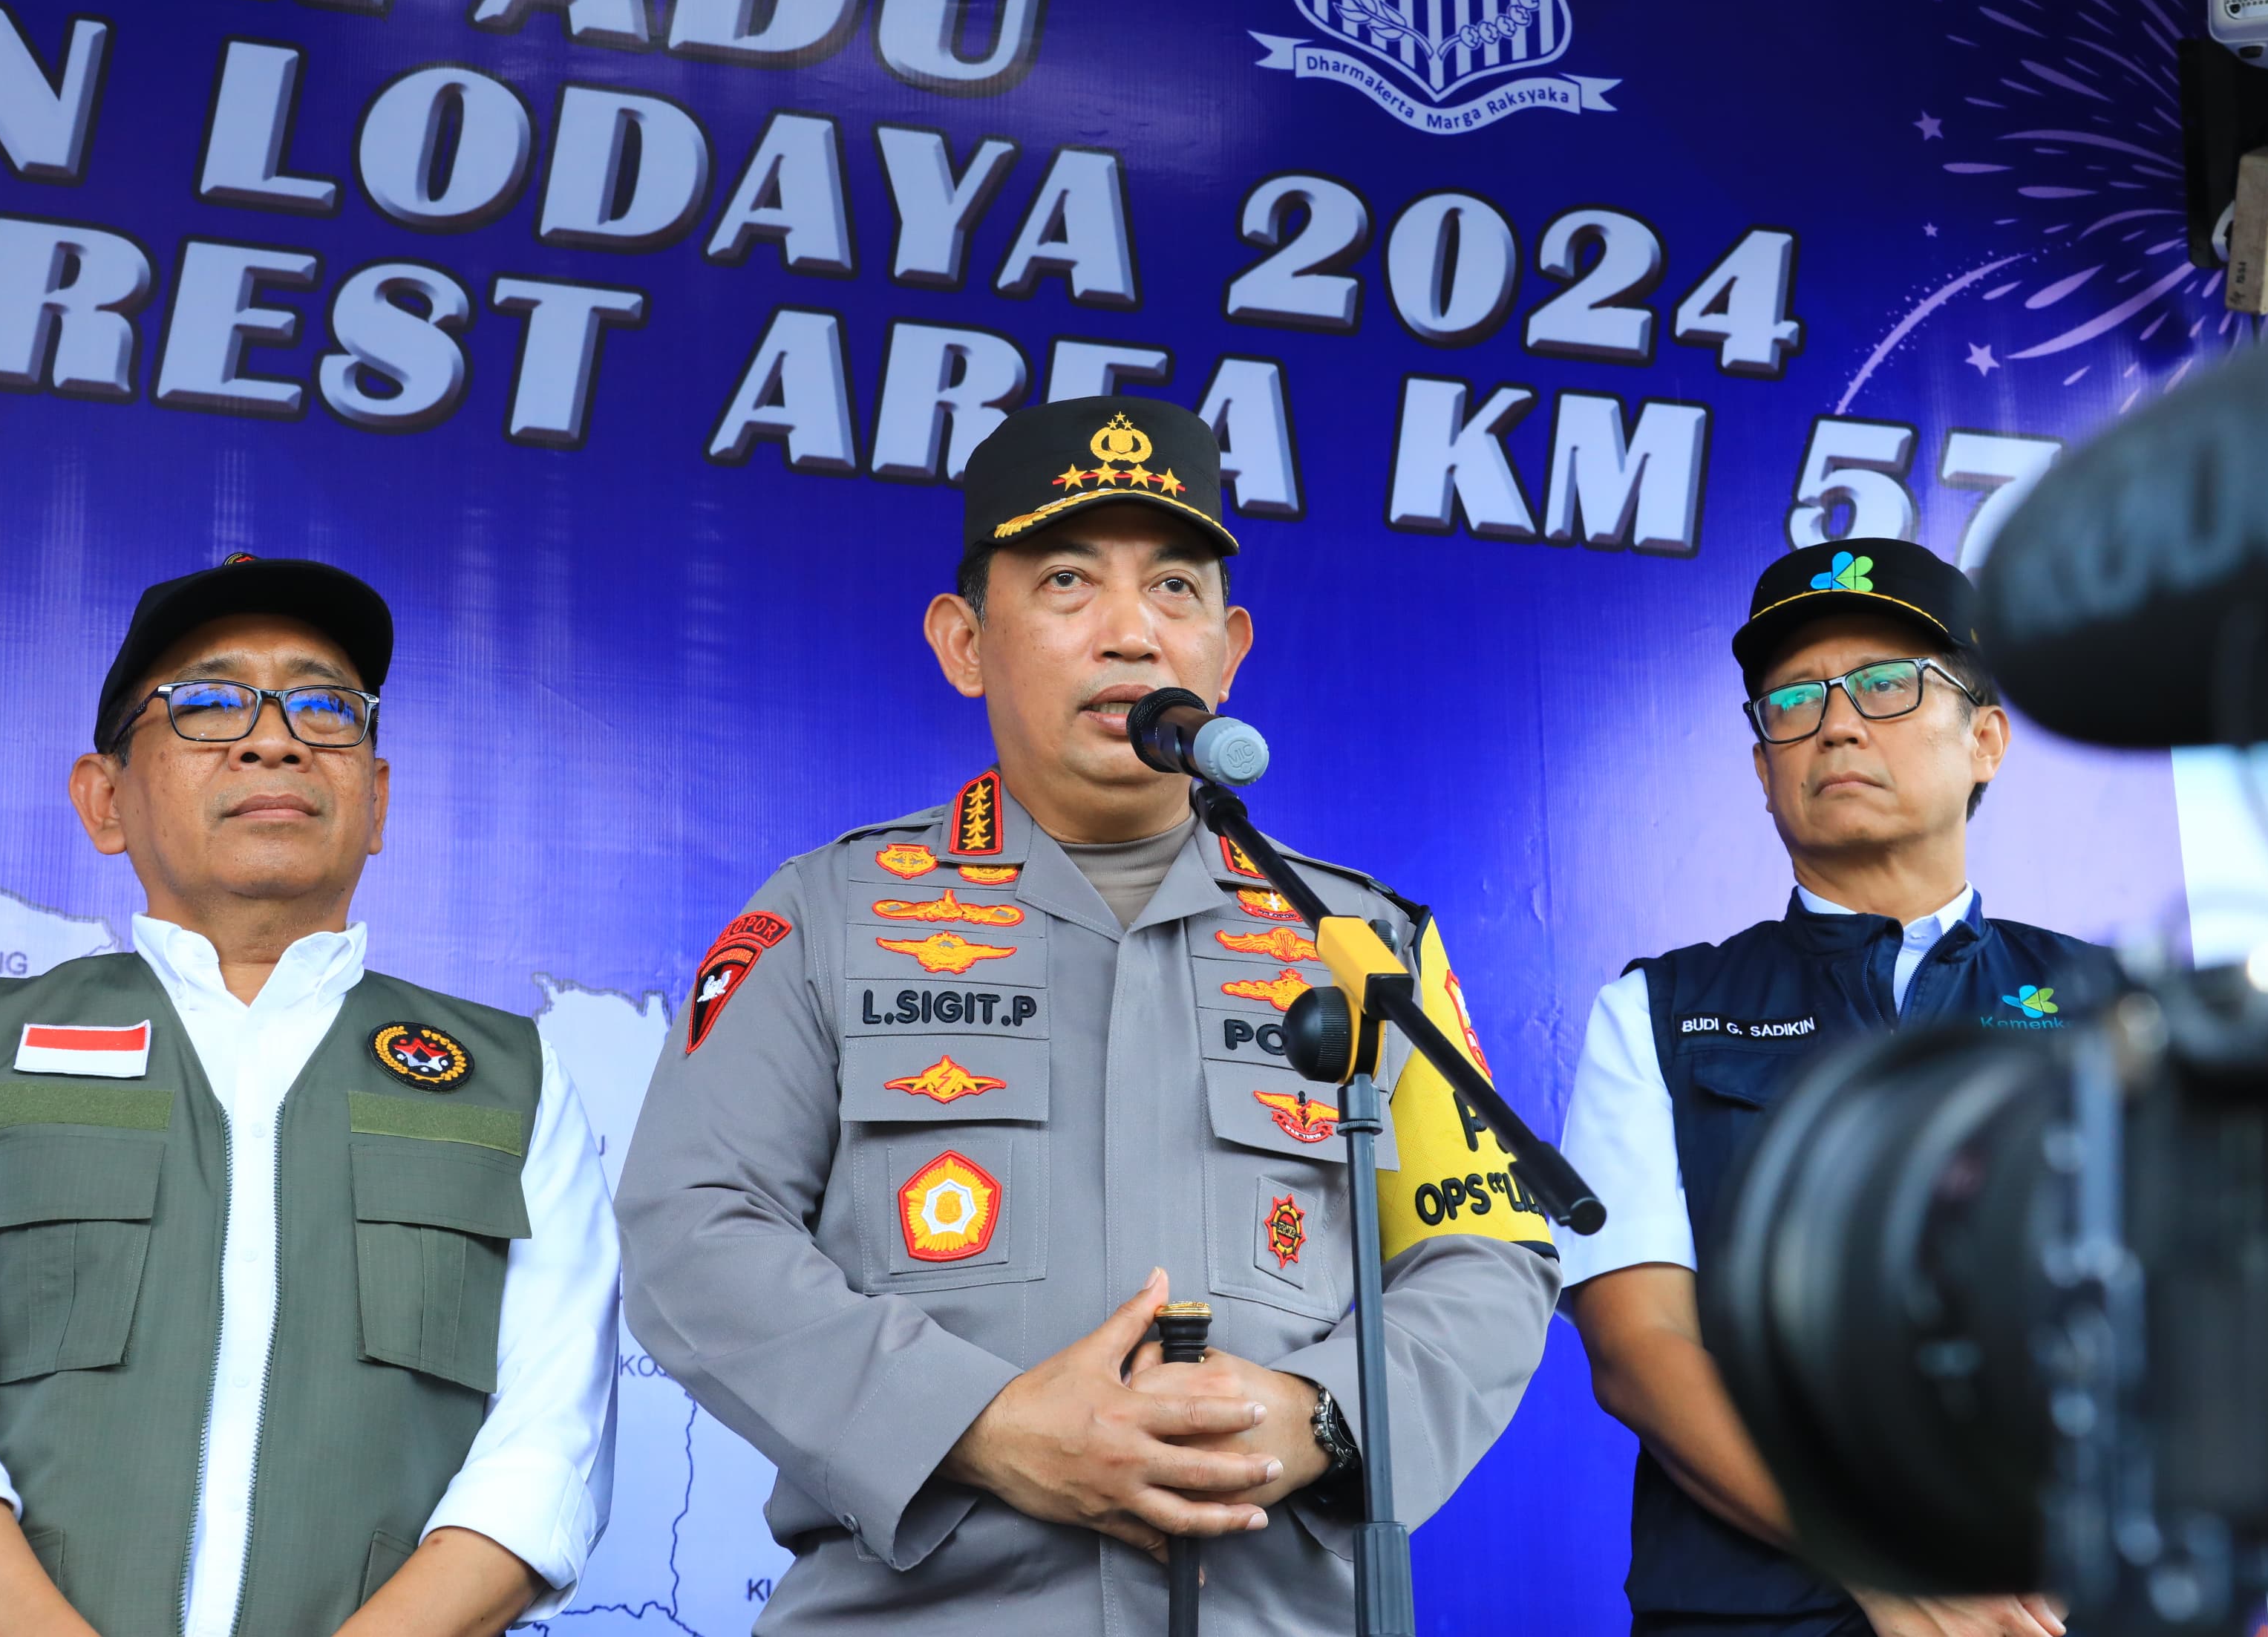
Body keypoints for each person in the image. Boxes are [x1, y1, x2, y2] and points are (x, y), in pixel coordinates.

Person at [616, 395, 1559, 1634]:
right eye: (1068, 580)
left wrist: (1323, 1417)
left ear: (1228, 652)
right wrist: (984, 1426)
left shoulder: (1362, 944)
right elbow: (693, 1231)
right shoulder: (826, 917)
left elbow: (1486, 1254)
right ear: (965, 643)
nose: (1131, 634)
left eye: (1175, 590)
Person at [0, 555, 619, 1637]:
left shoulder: (515, 1083)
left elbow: (543, 1460)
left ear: (378, 800)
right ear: (105, 798)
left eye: (325, 707)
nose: (277, 738)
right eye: (210, 704)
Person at [1558, 539, 2114, 1637]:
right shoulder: (1656, 1014)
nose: (1839, 724)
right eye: (1794, 701)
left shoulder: (2119, 1006)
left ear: (1987, 741)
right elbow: (1638, 1349)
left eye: (1886, 686)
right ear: (1763, 768)